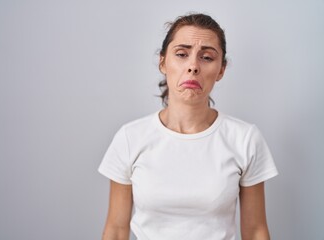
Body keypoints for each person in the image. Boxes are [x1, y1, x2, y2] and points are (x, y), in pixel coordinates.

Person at [98, 13, 278, 240]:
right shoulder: (130, 138)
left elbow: (255, 231)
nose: (193, 66)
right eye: (182, 54)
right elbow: (116, 229)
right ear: (163, 62)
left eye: (207, 58)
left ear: (221, 70)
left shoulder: (245, 139)